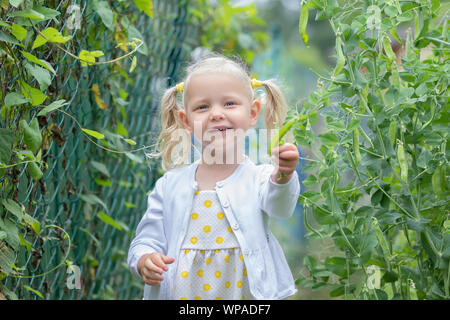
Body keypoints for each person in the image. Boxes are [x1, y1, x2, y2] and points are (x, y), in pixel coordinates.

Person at [127, 53, 300, 300]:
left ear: (253, 113)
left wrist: (284, 175)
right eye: (202, 107)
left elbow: (281, 208)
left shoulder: (260, 178)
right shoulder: (169, 185)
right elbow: (147, 240)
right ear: (186, 121)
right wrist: (144, 259)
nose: (216, 114)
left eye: (229, 103)